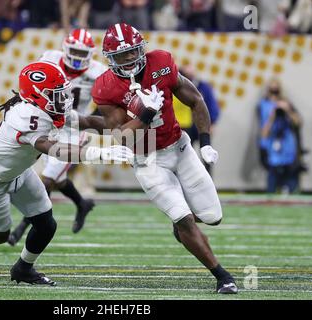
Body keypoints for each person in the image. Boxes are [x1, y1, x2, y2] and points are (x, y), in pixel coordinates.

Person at [0, 61, 132, 285]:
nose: (63, 99)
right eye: (55, 94)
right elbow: (53, 149)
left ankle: (23, 269)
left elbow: (86, 121)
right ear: (36, 95)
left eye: (62, 93)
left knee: (46, 224)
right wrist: (100, 153)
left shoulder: (45, 108)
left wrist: (126, 124)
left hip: (20, 172)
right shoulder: (26, 115)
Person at [92, 23, 238, 294]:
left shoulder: (162, 61)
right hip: (148, 159)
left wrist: (205, 143)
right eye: (121, 56)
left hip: (180, 148)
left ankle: (182, 225)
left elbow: (195, 99)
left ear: (142, 49)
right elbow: (122, 135)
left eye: (132, 53)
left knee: (213, 217)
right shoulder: (105, 87)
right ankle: (221, 275)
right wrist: (144, 115)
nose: (128, 60)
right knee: (183, 218)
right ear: (109, 58)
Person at [8, 29, 107, 246]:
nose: (79, 58)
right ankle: (82, 203)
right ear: (65, 48)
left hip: (74, 130)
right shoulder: (49, 59)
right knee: (59, 179)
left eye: (83, 53)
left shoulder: (98, 72)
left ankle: (24, 226)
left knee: (49, 179)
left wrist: (92, 121)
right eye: (75, 52)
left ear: (90, 54)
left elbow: (108, 100)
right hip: (50, 125)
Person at [180, 63, 220, 174]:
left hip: (202, 124)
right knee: (187, 155)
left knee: (207, 154)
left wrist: (212, 123)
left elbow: (212, 105)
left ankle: (209, 180)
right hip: (186, 125)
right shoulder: (179, 86)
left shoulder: (204, 87)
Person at [261, 98, 302, 193]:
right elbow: (264, 134)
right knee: (271, 193)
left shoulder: (291, 117)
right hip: (274, 160)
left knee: (292, 192)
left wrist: (287, 111)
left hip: (289, 160)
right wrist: (272, 116)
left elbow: (298, 123)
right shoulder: (272, 119)